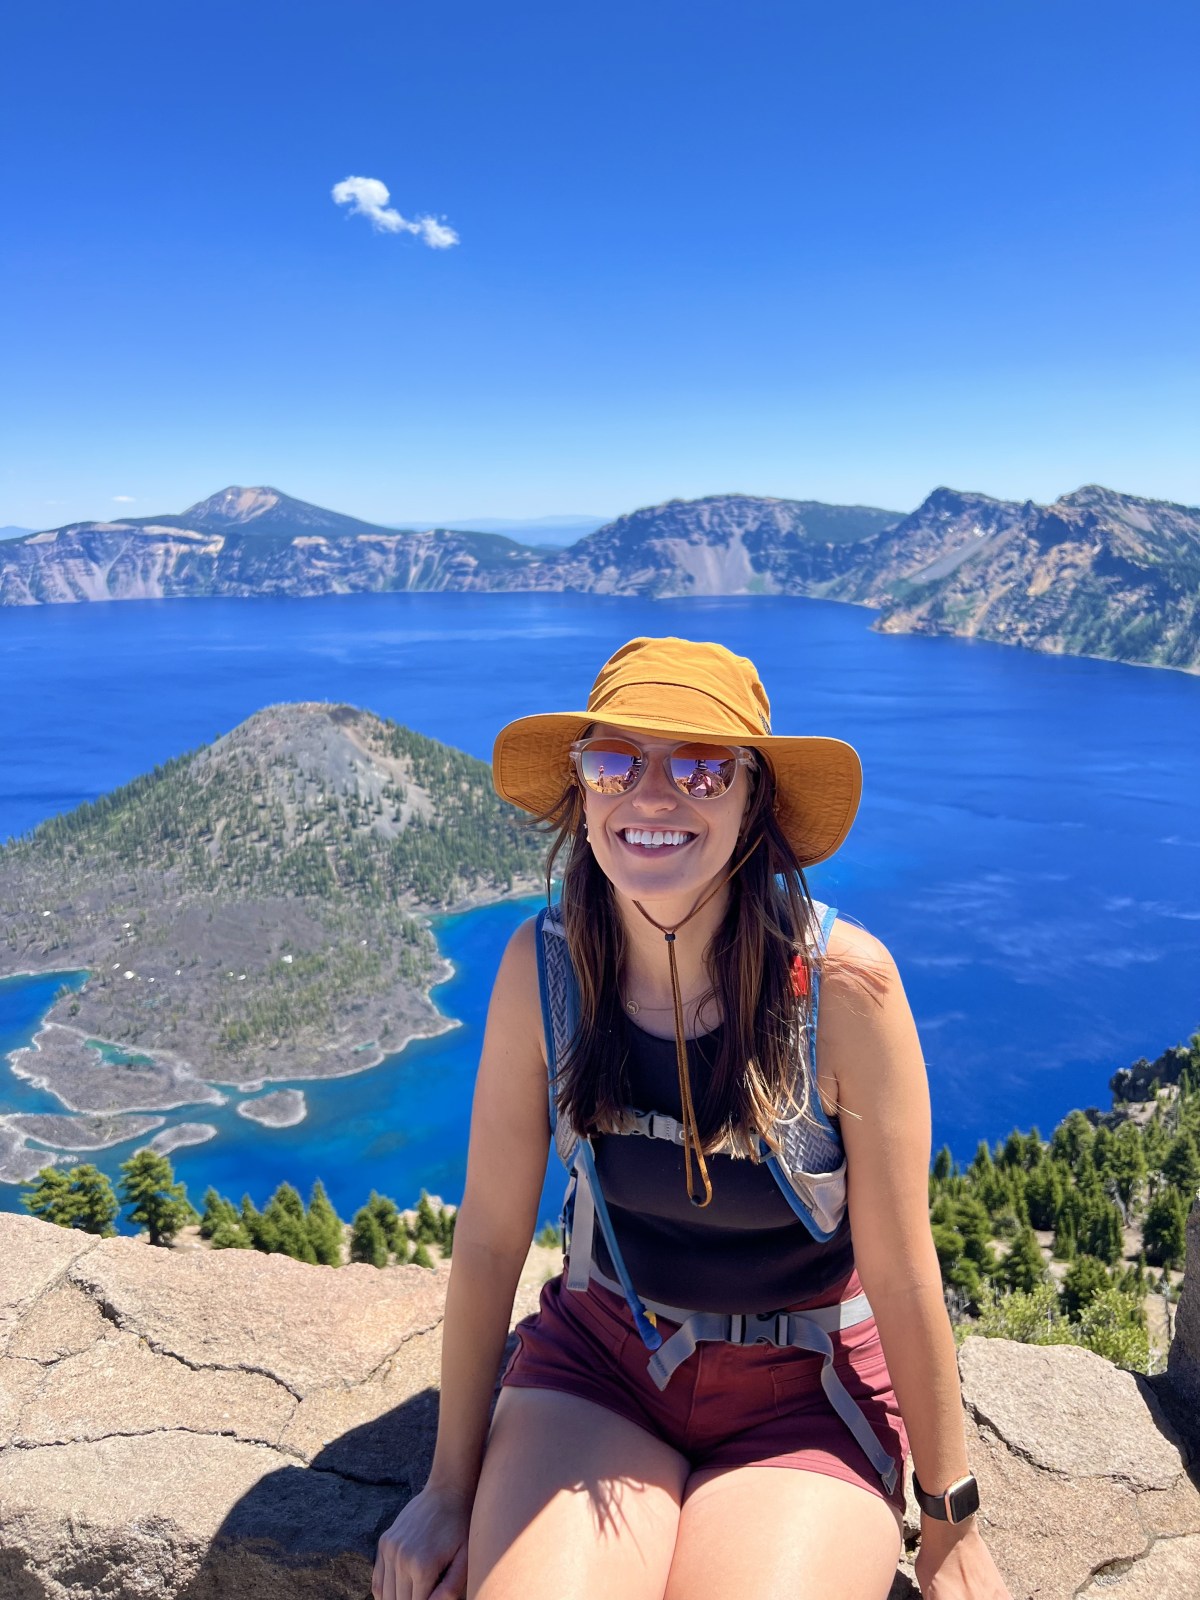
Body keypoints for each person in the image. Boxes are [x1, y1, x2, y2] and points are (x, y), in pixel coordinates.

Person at [372, 636, 1011, 1600]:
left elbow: (900, 1266)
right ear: (583, 793)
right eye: (615, 762)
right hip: (600, 1366)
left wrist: (951, 1521)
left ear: (755, 798)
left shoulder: (843, 988)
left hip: (805, 1397)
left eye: (704, 765)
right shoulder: (543, 971)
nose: (653, 795)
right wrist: (448, 1486)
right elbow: (494, 1236)